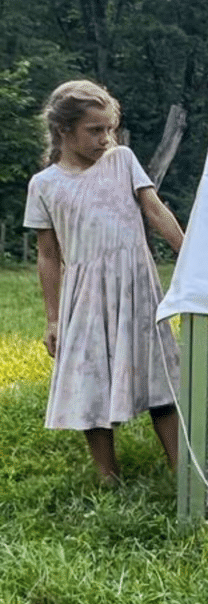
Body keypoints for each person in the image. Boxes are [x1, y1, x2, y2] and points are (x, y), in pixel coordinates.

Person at [23, 79, 185, 485]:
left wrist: (188, 252)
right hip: (86, 297)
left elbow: (156, 210)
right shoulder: (45, 186)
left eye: (109, 128)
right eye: (95, 130)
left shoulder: (122, 160)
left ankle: (181, 469)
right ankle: (107, 476)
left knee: (159, 381)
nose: (105, 138)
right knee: (90, 383)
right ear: (64, 130)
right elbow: (48, 255)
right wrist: (53, 318)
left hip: (137, 288)